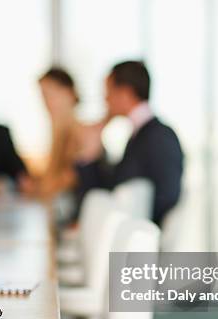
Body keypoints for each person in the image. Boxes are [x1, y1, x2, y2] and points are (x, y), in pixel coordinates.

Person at [75, 61, 183, 226]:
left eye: (108, 92)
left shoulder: (159, 137)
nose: (105, 99)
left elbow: (167, 197)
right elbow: (115, 185)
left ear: (125, 93)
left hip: (140, 239)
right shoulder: (141, 135)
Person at [32, 67, 81, 198]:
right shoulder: (59, 134)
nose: (47, 102)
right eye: (43, 96)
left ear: (70, 93)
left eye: (51, 94)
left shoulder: (79, 134)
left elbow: (65, 180)